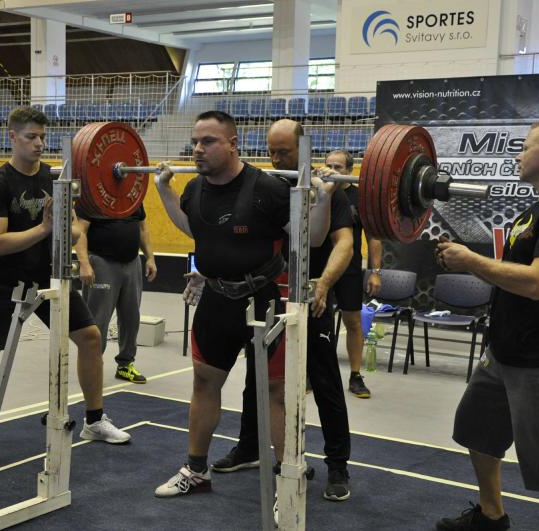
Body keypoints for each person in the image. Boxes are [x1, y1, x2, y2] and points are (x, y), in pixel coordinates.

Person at [434, 119, 539, 531]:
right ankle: (492, 517)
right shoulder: (535, 211)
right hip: (504, 353)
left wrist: (471, 261)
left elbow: (538, 283)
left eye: (525, 147)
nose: (518, 155)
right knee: (476, 431)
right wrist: (470, 262)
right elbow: (512, 275)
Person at [0, 106, 129, 471]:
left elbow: (73, 230)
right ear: (12, 137)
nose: (39, 144)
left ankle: (94, 420)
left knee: (91, 337)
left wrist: (66, 229)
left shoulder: (54, 178)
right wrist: (45, 228)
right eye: (31, 137)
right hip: (2, 280)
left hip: (47, 277)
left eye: (43, 137)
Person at [213, 119, 355, 502]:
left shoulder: (329, 189)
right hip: (269, 294)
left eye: (284, 153)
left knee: (324, 380)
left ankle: (337, 466)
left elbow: (345, 244)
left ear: (303, 149)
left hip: (313, 294)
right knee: (258, 374)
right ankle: (249, 447)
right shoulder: (265, 187)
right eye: (271, 152)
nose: (276, 160)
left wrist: (323, 283)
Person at [151, 110, 292, 498]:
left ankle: (287, 482)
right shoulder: (194, 188)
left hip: (262, 302)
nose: (198, 149)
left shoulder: (268, 189)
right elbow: (193, 228)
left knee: (274, 391)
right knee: (204, 382)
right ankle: (196, 470)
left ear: (232, 144)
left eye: (208, 141)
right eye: (195, 142)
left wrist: (324, 198)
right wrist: (163, 190)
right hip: (216, 300)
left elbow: (309, 238)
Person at [74, 203, 157, 384]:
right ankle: (93, 366)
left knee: (131, 318)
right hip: (102, 263)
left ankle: (125, 365)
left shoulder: (132, 197)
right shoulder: (92, 197)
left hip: (132, 262)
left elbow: (142, 228)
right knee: (98, 320)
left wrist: (150, 257)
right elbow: (80, 231)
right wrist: (84, 263)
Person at [324, 149, 383, 398]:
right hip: (320, 270)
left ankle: (356, 376)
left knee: (353, 322)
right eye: (328, 166)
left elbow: (374, 238)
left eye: (338, 167)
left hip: (349, 270)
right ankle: (313, 373)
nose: (332, 171)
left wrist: (375, 272)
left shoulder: (360, 199)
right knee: (317, 323)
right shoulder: (317, 192)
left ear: (350, 171)